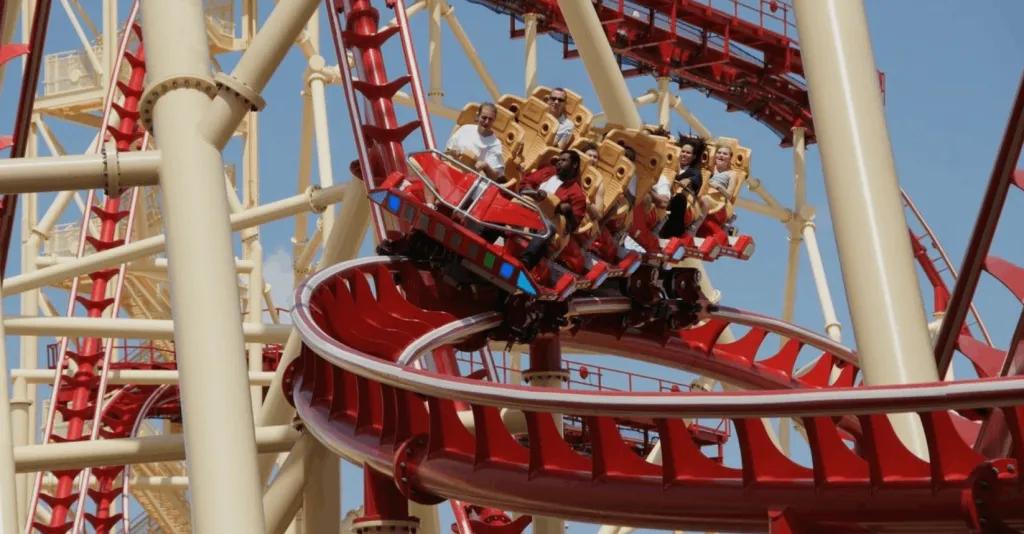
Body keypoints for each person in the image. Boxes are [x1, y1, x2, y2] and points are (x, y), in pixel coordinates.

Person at [517, 150, 588, 268]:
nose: (559, 162)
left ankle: (525, 263)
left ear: (574, 165)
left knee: (548, 228)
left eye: (564, 160)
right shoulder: (548, 171)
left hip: (548, 223)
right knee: (509, 204)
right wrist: (534, 193)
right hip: (529, 210)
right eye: (559, 160)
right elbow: (525, 183)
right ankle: (486, 236)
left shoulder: (577, 194)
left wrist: (568, 211)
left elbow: (573, 226)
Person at [659, 135, 706, 238]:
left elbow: (696, 180)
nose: (684, 155)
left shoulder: (695, 172)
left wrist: (688, 180)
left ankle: (671, 233)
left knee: (679, 199)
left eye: (688, 153)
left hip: (683, 203)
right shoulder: (668, 166)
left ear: (693, 157)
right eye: (683, 151)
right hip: (663, 194)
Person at [445, 102, 505, 181]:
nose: (486, 122)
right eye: (484, 118)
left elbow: (495, 177)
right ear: (477, 116)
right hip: (451, 173)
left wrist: (485, 166)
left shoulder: (495, 144)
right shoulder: (465, 129)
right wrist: (453, 152)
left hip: (471, 181)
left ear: (494, 121)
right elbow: (446, 152)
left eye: (490, 119)